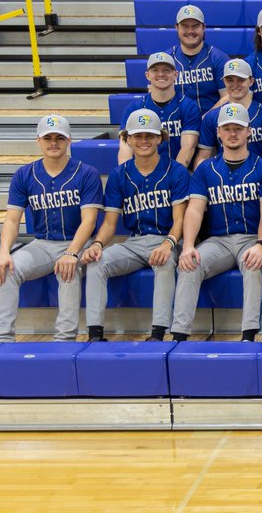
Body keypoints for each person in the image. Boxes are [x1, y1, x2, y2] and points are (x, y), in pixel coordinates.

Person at [169, 103, 262, 342]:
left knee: (252, 264)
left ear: (249, 131)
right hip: (218, 241)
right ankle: (179, 334)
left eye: (237, 128)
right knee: (189, 263)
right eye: (227, 128)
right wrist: (187, 246)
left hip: (251, 237)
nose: (232, 133)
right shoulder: (205, 169)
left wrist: (261, 244)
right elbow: (195, 211)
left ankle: (249, 334)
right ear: (217, 132)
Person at [80, 109, 189, 342]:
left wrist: (169, 244)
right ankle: (95, 334)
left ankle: (158, 333)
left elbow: (181, 219)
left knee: (165, 262)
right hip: (135, 241)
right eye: (138, 136)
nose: (143, 141)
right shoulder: (119, 175)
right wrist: (98, 244)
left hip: (166, 239)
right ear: (127, 139)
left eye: (149, 135)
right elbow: (110, 223)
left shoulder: (176, 171)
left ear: (160, 138)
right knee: (97, 263)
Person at [0, 115, 103, 342]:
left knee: (68, 269)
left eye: (59, 138)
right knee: (7, 269)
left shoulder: (86, 172)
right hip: (42, 244)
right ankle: (2, 340)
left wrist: (72, 252)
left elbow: (89, 221)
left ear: (69, 140)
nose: (54, 143)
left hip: (78, 241)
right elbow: (12, 220)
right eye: (48, 138)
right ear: (38, 141)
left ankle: (64, 339)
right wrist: (4, 252)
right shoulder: (24, 174)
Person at [119, 51, 201, 168]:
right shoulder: (133, 109)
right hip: (142, 174)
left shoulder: (189, 106)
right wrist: (126, 176)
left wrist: (174, 177)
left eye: (166, 70)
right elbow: (125, 149)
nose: (161, 74)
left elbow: (188, 148)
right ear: (147, 75)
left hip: (178, 174)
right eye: (155, 70)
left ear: (176, 74)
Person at [194, 58, 262, 165]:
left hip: (259, 177)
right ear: (224, 81)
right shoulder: (212, 117)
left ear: (251, 81)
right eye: (230, 80)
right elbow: (203, 156)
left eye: (240, 80)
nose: (235, 84)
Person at [167, 4, 228, 112]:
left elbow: (228, 96)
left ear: (203, 27)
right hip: (178, 124)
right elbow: (156, 96)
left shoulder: (219, 58)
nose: (190, 31)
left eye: (195, 26)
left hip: (210, 124)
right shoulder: (166, 60)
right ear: (177, 27)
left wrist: (207, 119)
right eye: (185, 26)